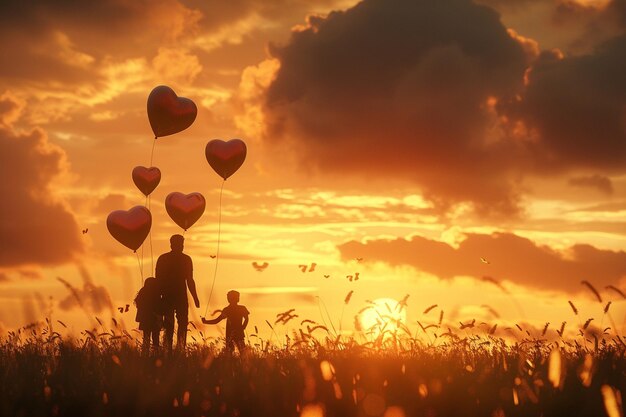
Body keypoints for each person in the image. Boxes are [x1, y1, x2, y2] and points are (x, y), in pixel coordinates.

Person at [156, 234, 200, 353]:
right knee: (169, 324)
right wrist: (158, 297)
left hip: (179, 296)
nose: (181, 246)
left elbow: (189, 279)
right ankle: (169, 349)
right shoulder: (164, 259)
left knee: (182, 323)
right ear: (171, 244)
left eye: (182, 244)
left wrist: (195, 297)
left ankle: (180, 349)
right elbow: (158, 279)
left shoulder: (185, 259)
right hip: (167, 296)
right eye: (178, 244)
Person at [202, 290, 249, 354]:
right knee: (240, 352)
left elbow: (216, 321)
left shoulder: (229, 310)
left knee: (237, 352)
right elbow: (246, 319)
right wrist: (242, 328)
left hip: (232, 333)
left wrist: (205, 322)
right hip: (234, 333)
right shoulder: (238, 309)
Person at [134, 277, 163, 355]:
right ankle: (155, 355)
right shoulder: (155, 294)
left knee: (146, 338)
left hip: (145, 320)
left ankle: (145, 354)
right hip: (154, 320)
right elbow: (159, 307)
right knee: (155, 338)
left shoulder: (142, 293)